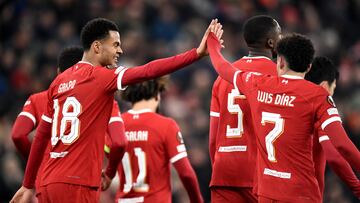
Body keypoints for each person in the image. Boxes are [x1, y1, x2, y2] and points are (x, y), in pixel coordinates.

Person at [11, 18, 222, 203]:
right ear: (96, 47)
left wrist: (29, 184)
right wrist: (195, 53)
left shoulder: (58, 82)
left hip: (48, 182)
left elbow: (40, 136)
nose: (120, 50)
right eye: (115, 45)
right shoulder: (102, 78)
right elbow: (149, 71)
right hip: (78, 183)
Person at [206, 24, 360, 203]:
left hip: (267, 192)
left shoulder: (257, 84)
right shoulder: (318, 96)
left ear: (280, 61)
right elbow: (342, 145)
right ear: (309, 67)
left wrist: (212, 42)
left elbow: (222, 67)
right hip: (301, 193)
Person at [11, 46, 128, 199]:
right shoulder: (102, 97)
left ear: (59, 73)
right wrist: (110, 172)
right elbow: (117, 143)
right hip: (79, 179)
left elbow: (18, 135)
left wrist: (37, 167)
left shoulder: (38, 99)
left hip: (46, 181)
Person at [209, 15, 281, 203]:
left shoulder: (221, 78)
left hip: (224, 172)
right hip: (260, 174)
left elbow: (212, 138)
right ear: (271, 42)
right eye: (280, 35)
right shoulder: (278, 77)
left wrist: (218, 168)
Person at [105, 77, 203, 203]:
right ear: (157, 94)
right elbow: (186, 173)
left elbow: (109, 154)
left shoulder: (116, 125)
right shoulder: (165, 125)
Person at [305, 56, 360, 199]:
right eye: (333, 87)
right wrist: (358, 188)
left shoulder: (286, 100)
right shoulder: (317, 108)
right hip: (304, 193)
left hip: (270, 188)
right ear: (324, 86)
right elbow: (334, 154)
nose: (332, 94)